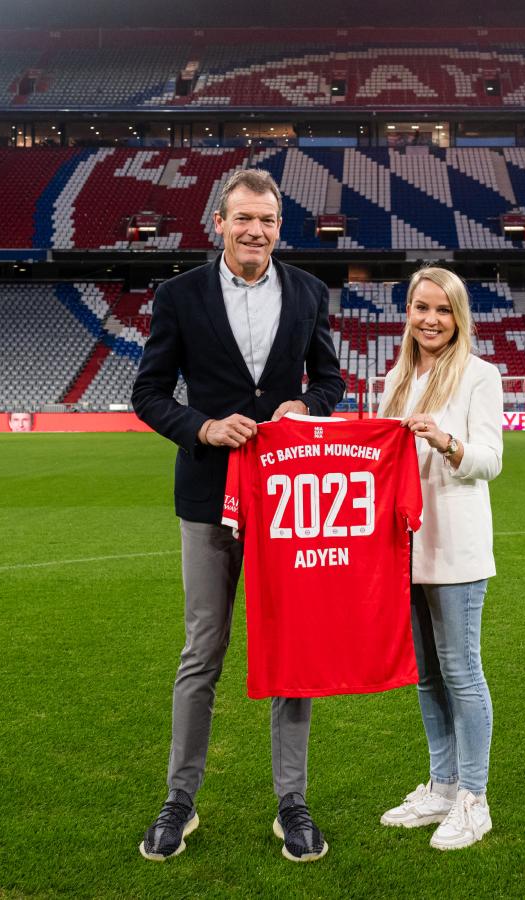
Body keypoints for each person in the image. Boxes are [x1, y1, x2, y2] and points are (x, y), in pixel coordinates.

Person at [131, 168, 345, 863]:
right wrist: (201, 427)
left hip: (288, 501)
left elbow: (331, 378)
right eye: (243, 218)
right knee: (203, 652)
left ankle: (294, 803)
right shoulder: (179, 295)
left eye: (268, 220)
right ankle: (179, 801)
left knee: (292, 654)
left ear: (280, 228)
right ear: (217, 223)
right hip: (206, 497)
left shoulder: (309, 293)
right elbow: (149, 391)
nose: (256, 230)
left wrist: (308, 406)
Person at [375, 266, 503, 851]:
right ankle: (442, 786)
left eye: (442, 310)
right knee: (426, 675)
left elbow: (490, 460)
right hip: (405, 548)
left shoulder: (480, 375)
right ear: (409, 312)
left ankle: (474, 799)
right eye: (421, 308)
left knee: (461, 671)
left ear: (458, 317)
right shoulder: (396, 378)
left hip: (457, 547)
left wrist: (445, 441)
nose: (430, 319)